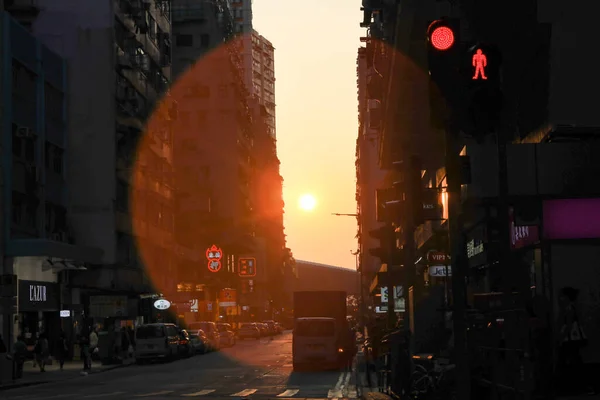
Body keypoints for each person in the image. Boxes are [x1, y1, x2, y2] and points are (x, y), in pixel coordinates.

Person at [556, 286, 592, 395]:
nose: (559, 298)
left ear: (566, 297)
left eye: (561, 296)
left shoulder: (568, 309)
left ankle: (573, 387)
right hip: (573, 339)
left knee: (567, 361)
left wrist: (561, 338)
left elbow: (568, 326)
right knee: (575, 361)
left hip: (570, 339)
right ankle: (580, 386)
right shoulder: (571, 308)